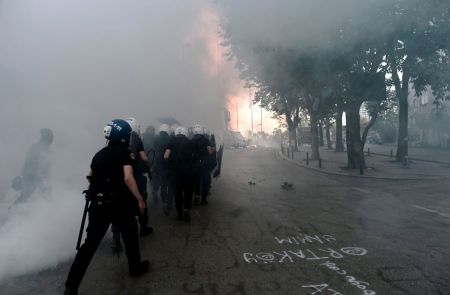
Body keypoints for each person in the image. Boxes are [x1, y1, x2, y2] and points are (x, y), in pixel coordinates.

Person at [64, 119, 149, 295]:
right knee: (130, 236)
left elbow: (90, 176)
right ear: (123, 137)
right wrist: (140, 199)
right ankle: (135, 267)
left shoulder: (99, 154)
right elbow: (128, 178)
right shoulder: (125, 154)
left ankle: (71, 287)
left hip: (98, 205)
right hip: (119, 206)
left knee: (88, 247)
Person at [125, 117, 153, 237]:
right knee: (141, 202)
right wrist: (149, 165)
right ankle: (143, 228)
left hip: (120, 177)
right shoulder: (137, 139)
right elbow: (144, 158)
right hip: (136, 176)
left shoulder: (117, 139)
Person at [13, 128, 53, 205]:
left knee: (46, 196)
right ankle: (12, 212)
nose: (52, 139)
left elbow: (46, 166)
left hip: (40, 178)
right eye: (50, 137)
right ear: (45, 137)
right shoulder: (36, 148)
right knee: (25, 197)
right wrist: (27, 176)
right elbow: (27, 164)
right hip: (32, 178)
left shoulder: (46, 149)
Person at [164, 126, 195, 222]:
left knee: (177, 193)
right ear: (185, 133)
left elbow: (166, 156)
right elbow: (194, 156)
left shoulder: (171, 141)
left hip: (175, 173)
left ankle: (179, 213)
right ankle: (186, 210)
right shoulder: (190, 142)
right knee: (188, 192)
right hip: (188, 172)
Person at [153, 124, 173, 215]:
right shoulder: (171, 139)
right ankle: (169, 203)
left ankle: (164, 202)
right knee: (171, 186)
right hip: (169, 166)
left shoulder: (156, 139)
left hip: (159, 165)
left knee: (163, 185)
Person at [191, 124, 213, 205]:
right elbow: (210, 152)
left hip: (195, 164)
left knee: (196, 181)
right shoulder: (206, 140)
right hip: (204, 164)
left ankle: (197, 196)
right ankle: (203, 199)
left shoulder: (191, 140)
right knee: (205, 182)